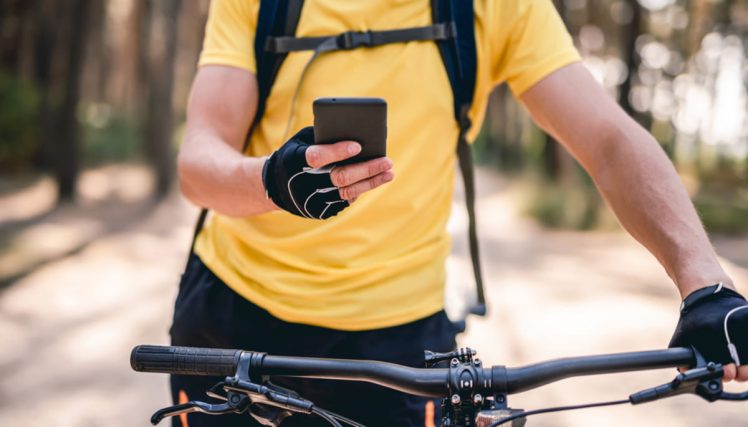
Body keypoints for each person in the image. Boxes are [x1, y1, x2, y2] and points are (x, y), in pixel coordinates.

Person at [170, 0, 748, 426]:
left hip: (399, 345)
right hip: (235, 317)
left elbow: (607, 139)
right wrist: (271, 180)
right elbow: (198, 162)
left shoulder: (496, 7)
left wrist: (703, 280)